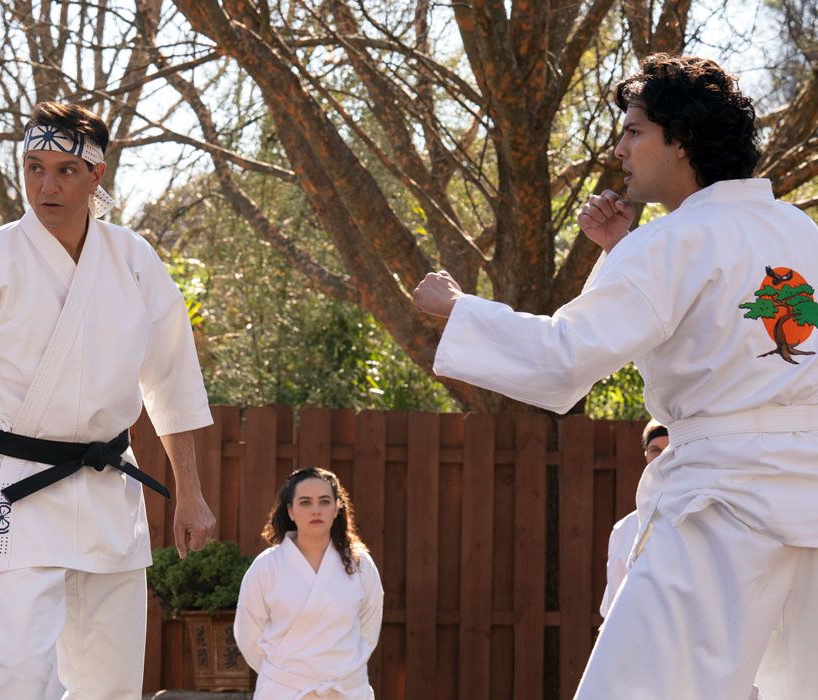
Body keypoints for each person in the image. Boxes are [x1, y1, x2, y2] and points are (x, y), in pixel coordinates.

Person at [413, 54, 818, 697]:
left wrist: (458, 309)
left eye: (634, 131)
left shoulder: (679, 239)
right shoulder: (802, 233)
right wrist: (621, 252)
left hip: (719, 508)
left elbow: (564, 357)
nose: (619, 148)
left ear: (681, 140)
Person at [0, 101, 216, 698]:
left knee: (110, 679)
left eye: (64, 170)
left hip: (109, 488)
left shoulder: (135, 261)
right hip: (17, 490)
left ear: (97, 176)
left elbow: (174, 385)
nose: (46, 186)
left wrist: (190, 492)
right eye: (33, 168)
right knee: (12, 673)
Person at [235, 467, 383, 699]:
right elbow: (248, 634)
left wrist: (342, 670)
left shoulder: (360, 564)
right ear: (291, 511)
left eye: (324, 501)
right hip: (284, 690)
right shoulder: (267, 566)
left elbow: (369, 629)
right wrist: (283, 675)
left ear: (336, 508)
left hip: (346, 690)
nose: (316, 510)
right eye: (305, 503)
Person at [600, 419, 668, 617]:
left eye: (669, 450)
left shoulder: (703, 518)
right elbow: (614, 607)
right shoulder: (624, 530)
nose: (661, 459)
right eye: (655, 450)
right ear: (646, 455)